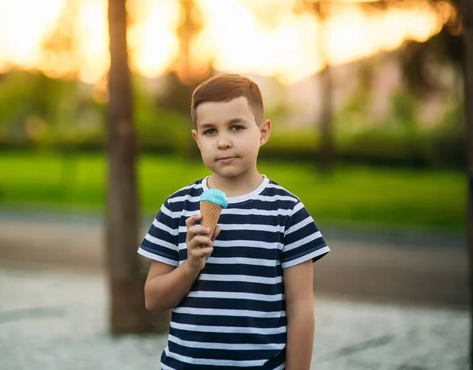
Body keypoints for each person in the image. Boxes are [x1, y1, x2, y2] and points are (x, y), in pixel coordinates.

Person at [138, 73, 330, 370]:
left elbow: (301, 309)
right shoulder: (177, 208)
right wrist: (190, 266)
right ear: (197, 139)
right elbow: (154, 299)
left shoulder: (287, 212)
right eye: (210, 131)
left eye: (236, 127)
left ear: (263, 132)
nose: (223, 142)